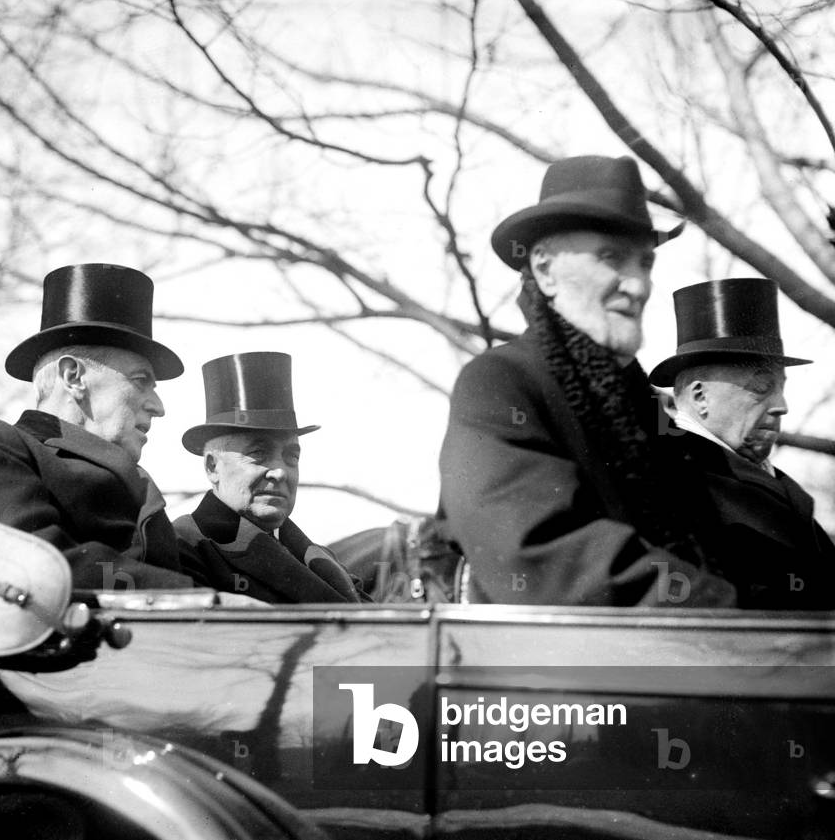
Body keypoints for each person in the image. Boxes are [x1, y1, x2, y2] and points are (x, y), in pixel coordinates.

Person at [439, 155, 736, 606]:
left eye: (645, 263)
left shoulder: (647, 410)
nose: (637, 286)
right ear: (544, 269)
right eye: (610, 258)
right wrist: (724, 611)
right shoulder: (499, 383)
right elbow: (538, 553)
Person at [0, 263, 196, 590]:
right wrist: (193, 597)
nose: (159, 406)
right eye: (141, 380)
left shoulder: (138, 487)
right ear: (74, 377)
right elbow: (31, 568)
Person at [650, 277, 835, 609]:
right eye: (761, 388)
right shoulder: (675, 477)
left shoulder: (753, 475)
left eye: (782, 387)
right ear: (700, 396)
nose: (782, 405)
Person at [173, 352, 365, 604]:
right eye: (258, 453)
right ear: (213, 467)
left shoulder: (321, 560)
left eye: (291, 456)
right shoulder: (184, 547)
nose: (280, 471)